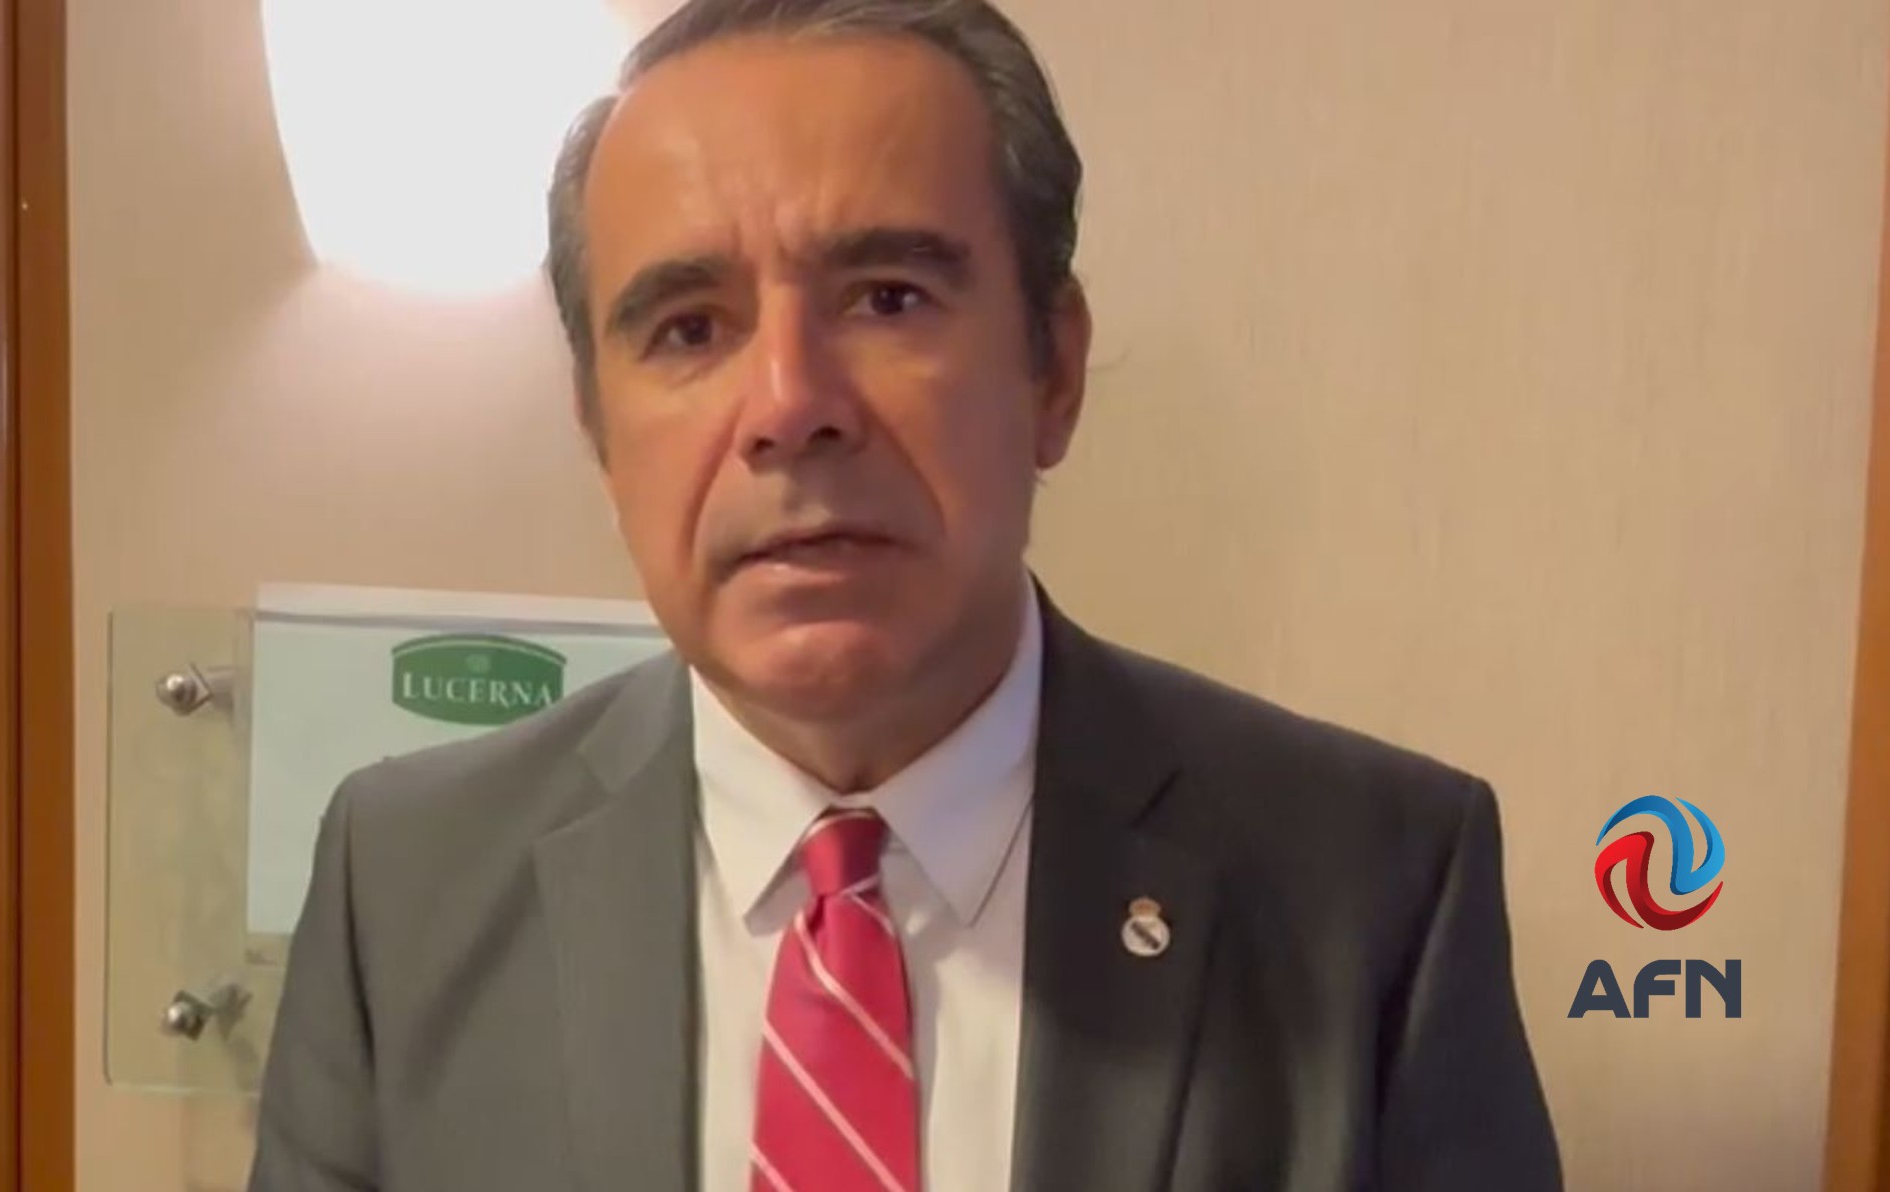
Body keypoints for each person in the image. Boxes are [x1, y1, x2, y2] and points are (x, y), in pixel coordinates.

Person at [249, 0, 1563, 1188]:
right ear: (598, 427)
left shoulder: (1376, 888)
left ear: (1053, 372)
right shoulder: (402, 886)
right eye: (691, 328)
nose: (790, 406)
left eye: (887, 298)